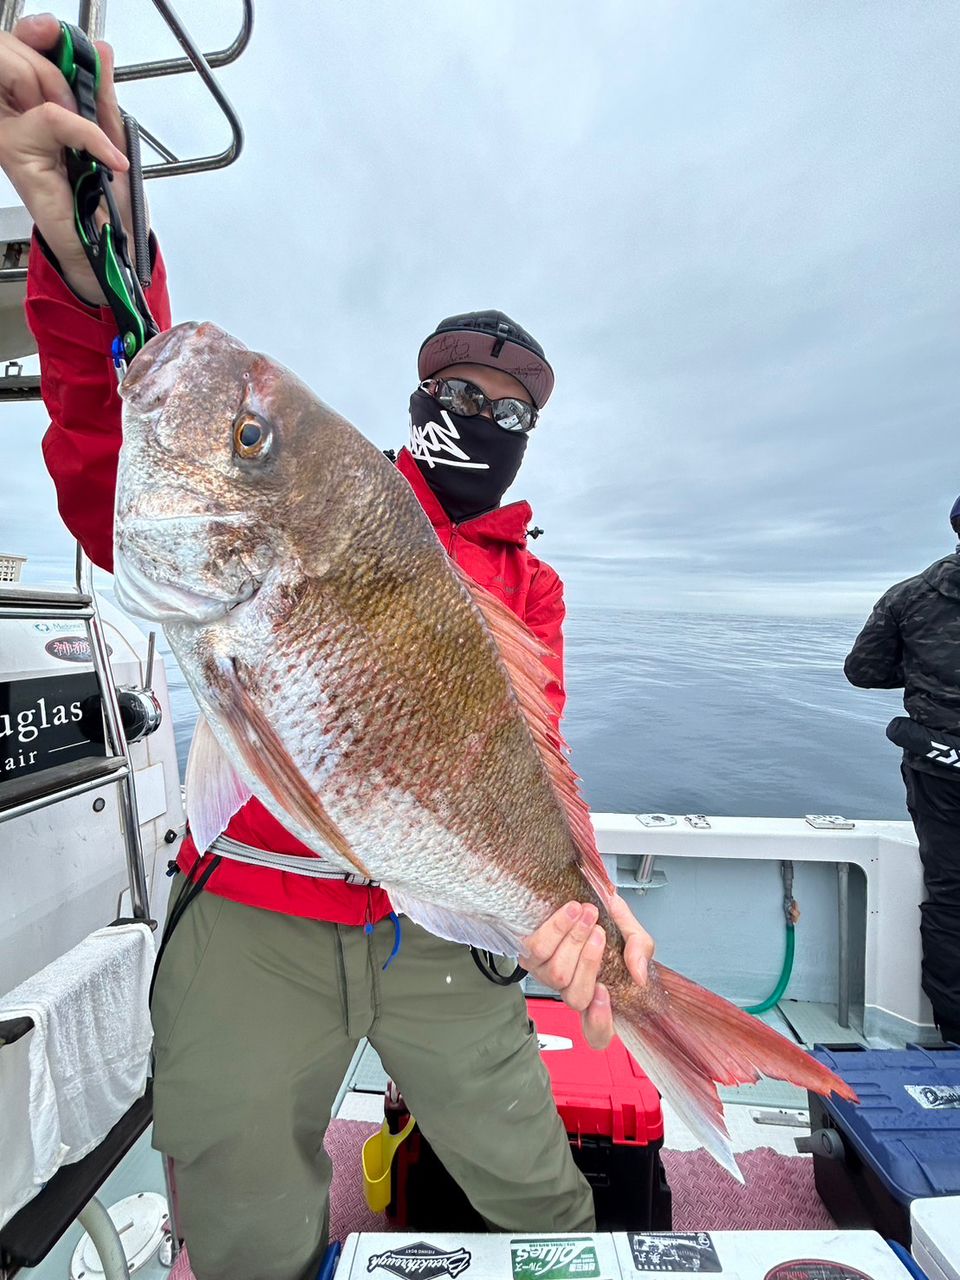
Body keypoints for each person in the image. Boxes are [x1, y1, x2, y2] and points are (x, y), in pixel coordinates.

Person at [0, 17, 655, 1280]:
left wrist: (587, 899)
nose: (482, 420)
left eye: (511, 411)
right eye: (459, 395)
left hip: (440, 928)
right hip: (251, 909)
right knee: (242, 1211)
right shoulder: (331, 499)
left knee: (540, 1187)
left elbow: (531, 753)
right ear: (416, 402)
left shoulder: (532, 584)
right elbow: (114, 443)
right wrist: (97, 248)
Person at [844, 496, 960, 1046]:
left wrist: (921, 671)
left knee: (950, 894)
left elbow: (861, 670)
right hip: (940, 769)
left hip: (940, 770)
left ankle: (955, 1035)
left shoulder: (910, 596)